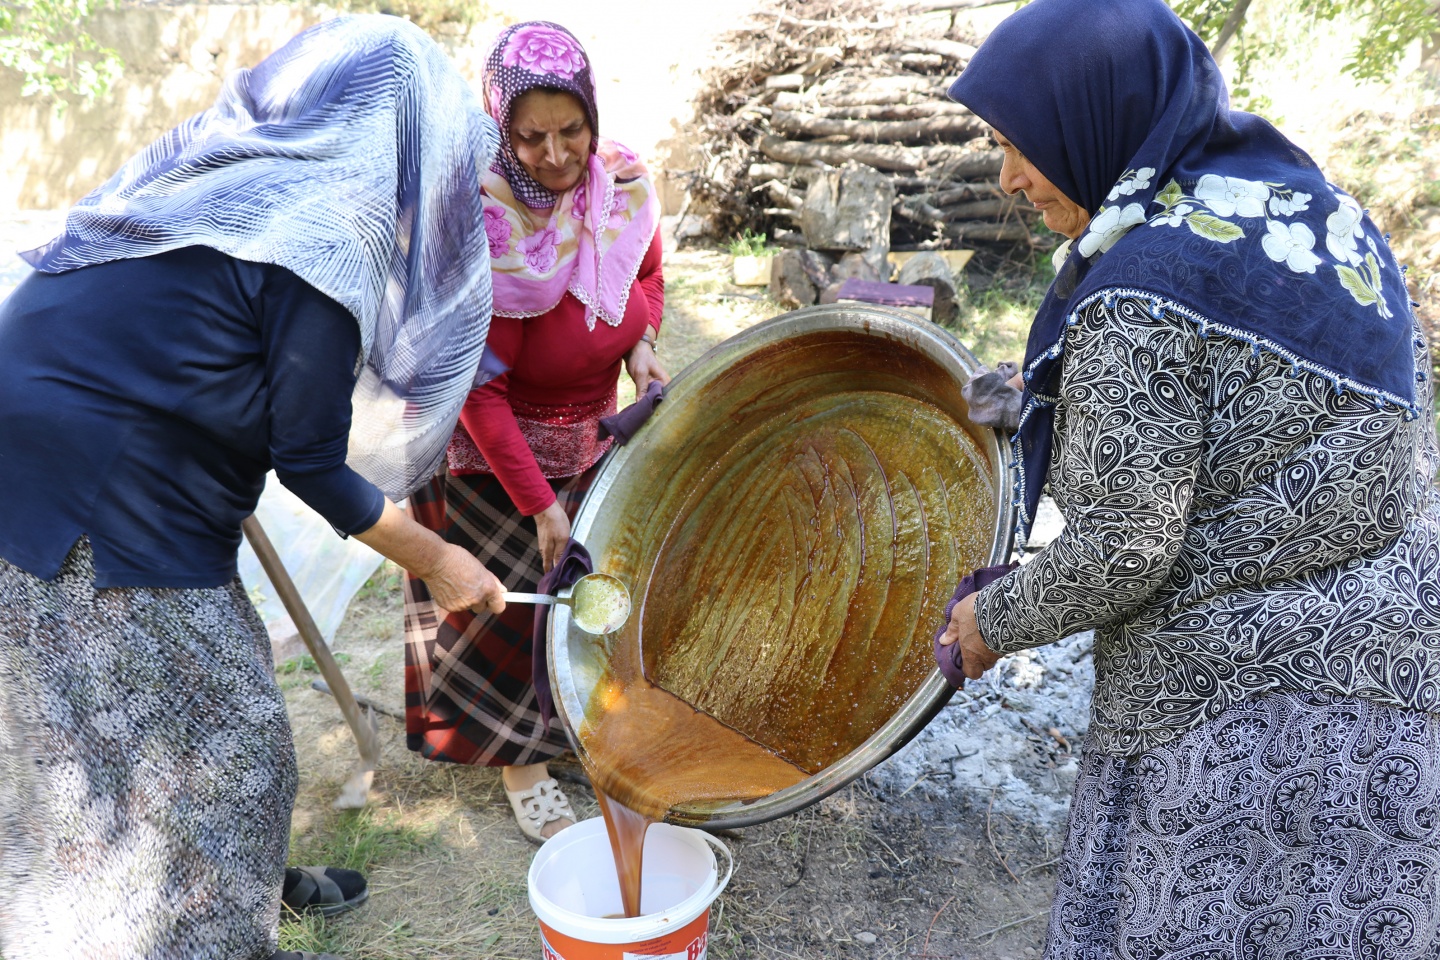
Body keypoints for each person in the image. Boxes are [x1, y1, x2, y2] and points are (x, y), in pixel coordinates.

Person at [937, 0, 1440, 956]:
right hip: (1394, 685)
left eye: (1019, 146)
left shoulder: (1140, 289)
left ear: (1091, 120)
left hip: (1236, 721)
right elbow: (1270, 418)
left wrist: (990, 622)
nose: (1007, 180)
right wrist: (1053, 394)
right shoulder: (1317, 220)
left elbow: (1124, 546)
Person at [0, 16, 508, 960]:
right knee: (231, 751)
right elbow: (311, 460)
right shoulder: (334, 224)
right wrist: (439, 559)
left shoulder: (233, 173)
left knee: (85, 735)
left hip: (45, 433)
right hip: (100, 484)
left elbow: (202, 346)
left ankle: (224, 899)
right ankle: (193, 936)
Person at [401, 20, 667, 844]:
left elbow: (646, 276)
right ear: (499, 127)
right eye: (531, 136)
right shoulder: (478, 221)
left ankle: (578, 730)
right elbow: (479, 395)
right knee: (505, 607)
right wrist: (539, 502)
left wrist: (642, 347)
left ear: (594, 115)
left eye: (571, 130)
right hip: (489, 451)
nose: (555, 155)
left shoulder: (619, 186)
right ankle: (520, 761)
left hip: (588, 432)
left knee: (579, 595)